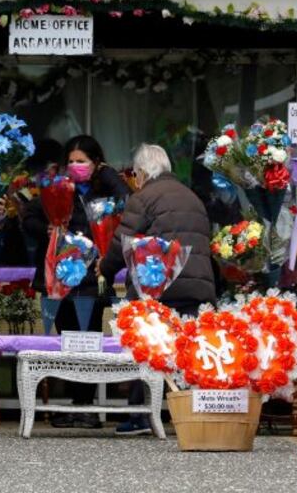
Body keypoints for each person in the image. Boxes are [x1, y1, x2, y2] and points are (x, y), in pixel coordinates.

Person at [99, 143, 216, 435]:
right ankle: (191, 410)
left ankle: (140, 415)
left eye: (134, 174)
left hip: (158, 284)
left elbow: (121, 243)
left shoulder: (144, 197)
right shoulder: (192, 197)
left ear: (140, 172)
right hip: (197, 285)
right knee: (187, 348)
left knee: (147, 346)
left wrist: (104, 269)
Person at [14, 135, 130, 428]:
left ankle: (86, 406)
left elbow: (128, 201)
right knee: (67, 341)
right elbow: (28, 219)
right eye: (72, 161)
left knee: (89, 339)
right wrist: (52, 229)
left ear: (96, 163)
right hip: (61, 277)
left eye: (83, 161)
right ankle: (73, 403)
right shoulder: (58, 188)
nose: (76, 166)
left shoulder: (105, 188)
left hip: (92, 277)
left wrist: (105, 172)